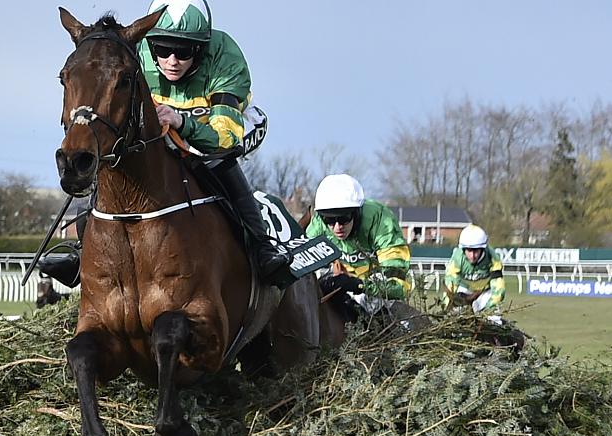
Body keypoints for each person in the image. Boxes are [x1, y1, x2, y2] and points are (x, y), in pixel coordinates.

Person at [39, 0, 291, 287]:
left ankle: (262, 247)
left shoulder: (225, 56)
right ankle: (83, 250)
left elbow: (225, 138)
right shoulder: (135, 52)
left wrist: (183, 122)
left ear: (200, 48)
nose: (172, 60)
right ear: (151, 44)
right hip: (162, 121)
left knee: (218, 161)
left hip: (220, 124)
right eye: (163, 49)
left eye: (183, 52)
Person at [305, 174, 412, 321]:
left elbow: (398, 285)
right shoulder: (318, 224)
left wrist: (358, 284)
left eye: (344, 218)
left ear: (356, 212)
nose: (337, 227)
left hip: (376, 287)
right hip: (342, 281)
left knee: (374, 305)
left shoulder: (381, 221)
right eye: (329, 219)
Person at [442, 224, 506, 313]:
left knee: (494, 318)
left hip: (485, 293)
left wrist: (488, 310)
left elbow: (499, 290)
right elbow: (450, 287)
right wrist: (446, 309)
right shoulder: (457, 259)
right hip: (464, 291)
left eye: (476, 251)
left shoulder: (493, 258)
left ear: (482, 249)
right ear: (463, 249)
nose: (472, 256)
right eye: (469, 250)